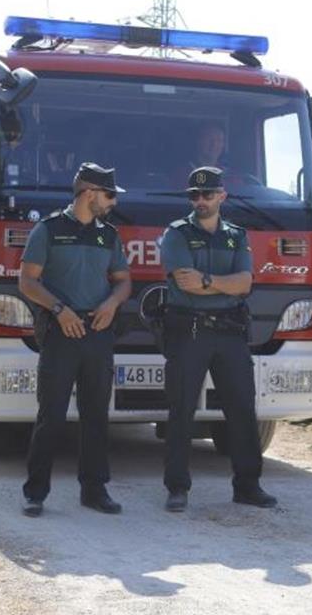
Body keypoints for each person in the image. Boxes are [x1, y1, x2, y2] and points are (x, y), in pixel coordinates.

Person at [157, 167, 276, 512]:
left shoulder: (236, 236)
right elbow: (185, 282)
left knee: (241, 410)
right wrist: (224, 282)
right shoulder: (177, 234)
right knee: (181, 410)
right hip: (189, 332)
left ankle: (248, 486)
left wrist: (207, 280)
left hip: (229, 333)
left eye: (207, 194)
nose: (200, 201)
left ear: (222, 196)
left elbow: (245, 284)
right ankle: (177, 488)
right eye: (194, 195)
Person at [18, 162, 132, 517]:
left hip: (97, 333)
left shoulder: (109, 235)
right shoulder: (49, 230)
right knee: (50, 415)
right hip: (61, 332)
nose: (112, 202)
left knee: (96, 414)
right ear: (89, 193)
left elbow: (123, 281)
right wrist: (59, 309)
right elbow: (27, 281)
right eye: (109, 195)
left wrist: (112, 304)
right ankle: (35, 493)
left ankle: (94, 491)